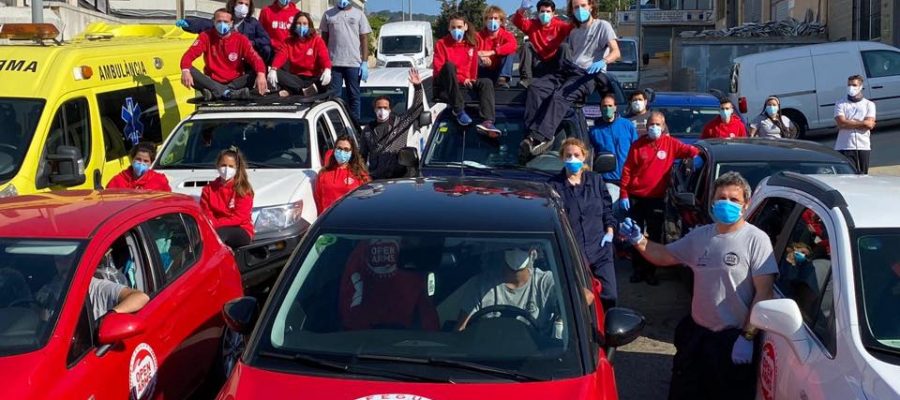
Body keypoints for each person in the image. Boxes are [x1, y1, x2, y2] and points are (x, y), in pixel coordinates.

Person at [619, 171, 777, 400]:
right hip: (698, 337)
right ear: (712, 201)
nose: (727, 203)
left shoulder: (756, 239)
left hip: (731, 341)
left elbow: (764, 292)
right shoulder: (700, 236)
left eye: (734, 200)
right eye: (721, 198)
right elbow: (663, 255)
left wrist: (747, 337)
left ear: (746, 205)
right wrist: (639, 240)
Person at [520, 0, 620, 162]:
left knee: (560, 97)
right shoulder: (573, 30)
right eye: (575, 7)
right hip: (569, 70)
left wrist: (604, 61)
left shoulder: (603, 25)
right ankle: (530, 137)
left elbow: (616, 52)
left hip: (589, 74)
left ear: (591, 6)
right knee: (536, 88)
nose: (580, 10)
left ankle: (544, 136)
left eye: (583, 6)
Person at [620, 111, 700, 285]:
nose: (654, 128)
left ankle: (650, 271)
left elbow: (691, 150)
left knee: (655, 234)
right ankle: (638, 269)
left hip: (656, 198)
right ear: (646, 126)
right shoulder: (638, 145)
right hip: (636, 197)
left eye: (657, 125)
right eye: (651, 125)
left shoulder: (670, 144)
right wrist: (624, 194)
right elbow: (627, 171)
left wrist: (696, 156)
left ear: (663, 127)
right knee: (635, 233)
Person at [546, 138, 617, 309]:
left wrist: (610, 230)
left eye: (576, 155)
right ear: (562, 158)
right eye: (568, 155)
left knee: (610, 294)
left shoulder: (595, 180)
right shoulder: (553, 186)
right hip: (574, 250)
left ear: (584, 156)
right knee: (582, 299)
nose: (573, 159)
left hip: (600, 247)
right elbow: (552, 218)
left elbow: (607, 208)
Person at [339, 237, 440, 331]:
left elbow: (349, 291)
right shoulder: (415, 252)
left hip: (360, 336)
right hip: (405, 337)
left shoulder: (359, 249)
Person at [456, 247, 558, 334]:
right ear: (502, 250)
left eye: (523, 247)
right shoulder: (480, 284)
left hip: (535, 356)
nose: (516, 251)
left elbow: (568, 314)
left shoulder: (546, 282)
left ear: (533, 251)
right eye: (511, 247)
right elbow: (461, 331)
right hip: (487, 353)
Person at [433, 13, 502, 137]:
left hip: (466, 81)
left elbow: (473, 66)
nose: (456, 30)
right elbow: (439, 69)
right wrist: (462, 78)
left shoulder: (471, 44)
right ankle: (458, 110)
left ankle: (488, 121)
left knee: (486, 82)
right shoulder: (441, 44)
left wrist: (471, 79)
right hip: (448, 83)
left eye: (459, 27)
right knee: (449, 66)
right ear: (449, 28)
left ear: (465, 27)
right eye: (453, 27)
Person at [180, 8, 268, 100]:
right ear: (214, 22)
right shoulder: (205, 36)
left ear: (231, 23)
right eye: (219, 21)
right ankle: (229, 93)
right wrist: (185, 70)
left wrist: (261, 74)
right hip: (212, 80)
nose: (222, 24)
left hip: (235, 82)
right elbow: (188, 56)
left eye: (226, 21)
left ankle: (217, 92)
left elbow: (255, 58)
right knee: (188, 69)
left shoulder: (241, 39)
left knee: (259, 71)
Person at [359, 69, 426, 179]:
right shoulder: (367, 130)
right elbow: (362, 155)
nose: (382, 110)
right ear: (374, 109)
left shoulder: (400, 123)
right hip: (377, 178)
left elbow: (416, 109)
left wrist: (418, 87)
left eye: (385, 108)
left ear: (390, 109)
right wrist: (363, 175)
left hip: (397, 177)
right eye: (379, 108)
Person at [320, 0, 372, 122]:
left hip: (353, 64)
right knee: (334, 98)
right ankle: (336, 124)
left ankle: (355, 125)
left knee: (354, 97)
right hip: (333, 64)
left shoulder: (359, 14)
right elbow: (323, 40)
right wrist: (323, 63)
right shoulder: (328, 14)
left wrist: (364, 62)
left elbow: (364, 38)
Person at [175, 0, 272, 63]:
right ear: (234, 3)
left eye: (246, 4)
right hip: (227, 54)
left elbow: (266, 39)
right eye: (240, 3)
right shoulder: (225, 17)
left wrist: (252, 42)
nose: (243, 6)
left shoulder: (252, 22)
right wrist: (188, 23)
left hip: (246, 55)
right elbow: (206, 24)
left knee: (266, 49)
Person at [267, 11, 333, 97]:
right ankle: (302, 92)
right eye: (299, 23)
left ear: (309, 25)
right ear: (294, 25)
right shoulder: (288, 42)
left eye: (305, 24)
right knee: (273, 73)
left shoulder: (317, 41)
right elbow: (281, 55)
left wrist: (327, 69)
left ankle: (293, 91)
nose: (302, 26)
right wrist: (274, 68)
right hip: (295, 78)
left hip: (313, 78)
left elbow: (324, 57)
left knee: (328, 79)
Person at [201, 148, 255, 248]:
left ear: (237, 168)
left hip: (240, 229)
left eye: (231, 166)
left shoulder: (242, 189)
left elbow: (239, 218)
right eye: (223, 165)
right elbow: (206, 212)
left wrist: (215, 224)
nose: (226, 169)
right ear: (217, 165)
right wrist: (211, 223)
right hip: (214, 227)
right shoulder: (208, 190)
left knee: (221, 233)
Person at [589, 94, 638, 203]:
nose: (607, 109)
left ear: (615, 107)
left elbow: (636, 150)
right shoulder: (594, 131)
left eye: (610, 106)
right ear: (600, 108)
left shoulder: (627, 125)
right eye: (604, 106)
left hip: (629, 177)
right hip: (608, 179)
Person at [512, 0, 573, 85]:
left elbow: (574, 28)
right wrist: (522, 9)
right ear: (538, 13)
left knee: (565, 46)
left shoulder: (560, 25)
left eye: (548, 11)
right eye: (542, 11)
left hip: (555, 64)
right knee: (527, 45)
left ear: (553, 13)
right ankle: (526, 79)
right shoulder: (532, 24)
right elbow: (516, 21)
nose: (545, 14)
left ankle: (567, 78)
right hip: (537, 63)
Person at [314, 135, 370, 214]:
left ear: (352, 152)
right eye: (339, 148)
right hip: (327, 220)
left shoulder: (360, 174)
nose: (342, 152)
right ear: (334, 150)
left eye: (346, 150)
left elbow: (367, 201)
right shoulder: (323, 173)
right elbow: (318, 201)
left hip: (350, 220)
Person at [834, 74, 877, 174]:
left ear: (860, 87)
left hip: (863, 146)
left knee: (862, 175)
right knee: (847, 176)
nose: (851, 88)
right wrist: (863, 122)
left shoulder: (869, 104)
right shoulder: (840, 103)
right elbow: (841, 122)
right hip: (844, 146)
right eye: (849, 85)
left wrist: (848, 123)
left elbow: (869, 125)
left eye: (854, 85)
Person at [477, 6, 517, 88]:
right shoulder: (478, 36)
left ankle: (502, 79)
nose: (492, 21)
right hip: (482, 70)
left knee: (509, 51)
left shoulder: (506, 35)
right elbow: (470, 50)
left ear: (501, 21)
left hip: (499, 71)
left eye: (495, 18)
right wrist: (480, 58)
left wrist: (492, 52)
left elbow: (513, 45)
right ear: (485, 20)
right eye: (490, 18)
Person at [106, 142, 171, 191]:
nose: (141, 163)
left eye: (146, 161)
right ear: (132, 159)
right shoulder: (117, 181)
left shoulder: (159, 180)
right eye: (138, 159)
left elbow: (167, 202)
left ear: (151, 163)